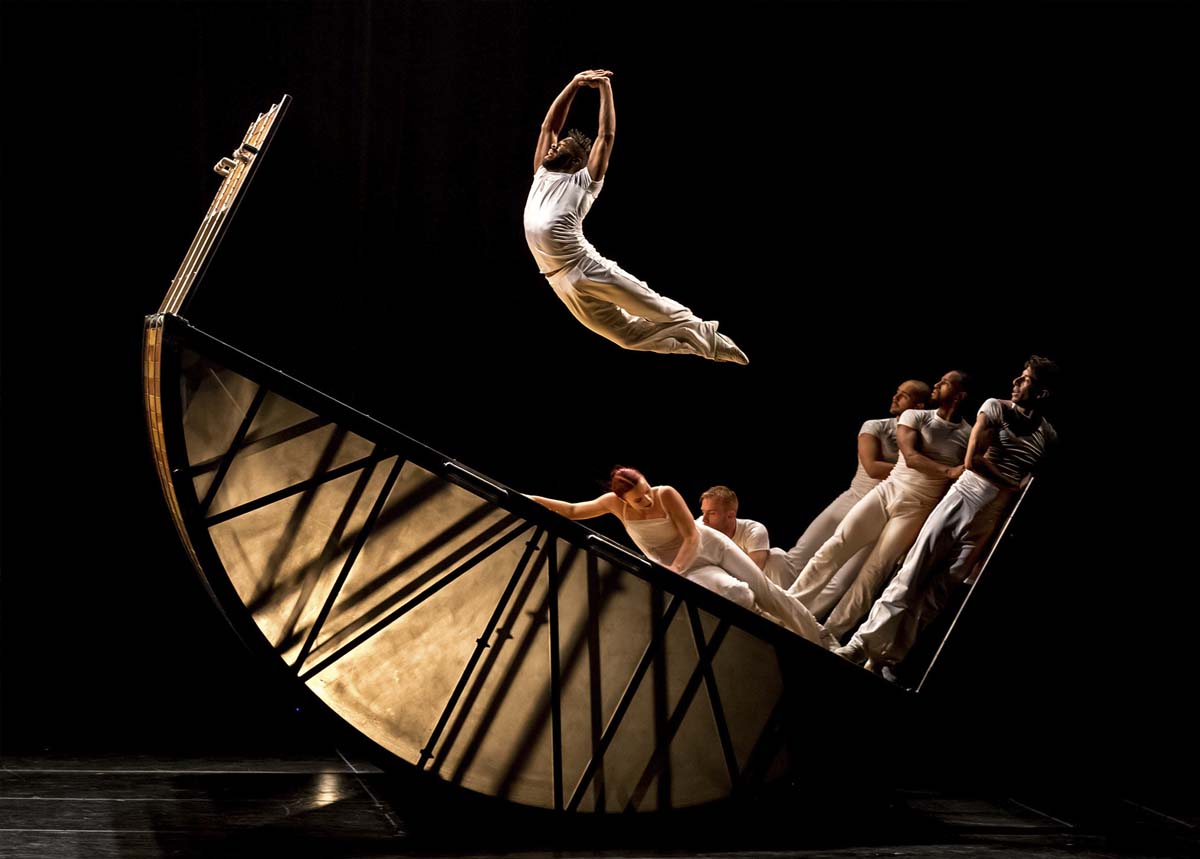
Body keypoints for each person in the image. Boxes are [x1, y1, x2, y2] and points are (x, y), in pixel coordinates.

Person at [835, 357, 1060, 679]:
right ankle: (860, 645)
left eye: (1025, 380)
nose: (1016, 382)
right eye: (1020, 377)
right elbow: (974, 461)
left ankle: (887, 660)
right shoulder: (995, 407)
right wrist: (1012, 483)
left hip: (993, 513)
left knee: (939, 592)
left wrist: (995, 533)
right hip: (966, 495)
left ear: (1042, 394)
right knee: (912, 573)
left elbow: (1030, 486)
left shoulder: (1047, 435)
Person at [523, 70, 747, 363]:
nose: (553, 147)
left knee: (656, 309)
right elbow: (548, 126)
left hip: (586, 268)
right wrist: (574, 84)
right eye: (555, 145)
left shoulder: (584, 181)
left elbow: (607, 135)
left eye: (561, 147)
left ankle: (712, 340)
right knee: (626, 338)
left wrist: (605, 88)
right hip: (558, 280)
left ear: (577, 161)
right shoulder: (542, 173)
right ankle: (694, 345)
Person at [529, 467, 831, 645]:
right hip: (685, 568)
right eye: (638, 499)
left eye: (646, 490)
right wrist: (528, 499)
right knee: (735, 594)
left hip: (707, 547)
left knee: (767, 591)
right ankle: (781, 635)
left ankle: (823, 642)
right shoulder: (613, 504)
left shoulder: (666, 494)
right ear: (622, 500)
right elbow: (571, 510)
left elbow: (691, 536)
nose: (646, 499)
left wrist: (673, 572)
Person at [788, 371, 973, 642]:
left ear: (959, 395)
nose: (936, 384)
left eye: (944, 383)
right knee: (837, 545)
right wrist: (948, 471)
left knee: (873, 573)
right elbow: (910, 457)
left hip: (917, 508)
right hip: (887, 492)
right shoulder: (915, 417)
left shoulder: (967, 435)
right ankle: (788, 602)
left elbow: (966, 473)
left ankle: (829, 633)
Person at [771, 380, 931, 606]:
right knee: (800, 556)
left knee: (840, 581)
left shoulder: (926, 442)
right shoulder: (876, 426)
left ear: (919, 406)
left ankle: (796, 623)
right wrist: (918, 467)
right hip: (851, 500)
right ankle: (768, 604)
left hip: (880, 514)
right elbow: (872, 467)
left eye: (904, 396)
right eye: (897, 392)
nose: (895, 398)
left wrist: (921, 466)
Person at [697, 485, 770, 571]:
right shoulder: (700, 525)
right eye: (703, 512)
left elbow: (753, 574)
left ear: (730, 515)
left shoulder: (754, 531)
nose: (704, 519)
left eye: (712, 513)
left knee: (777, 556)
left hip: (756, 579)